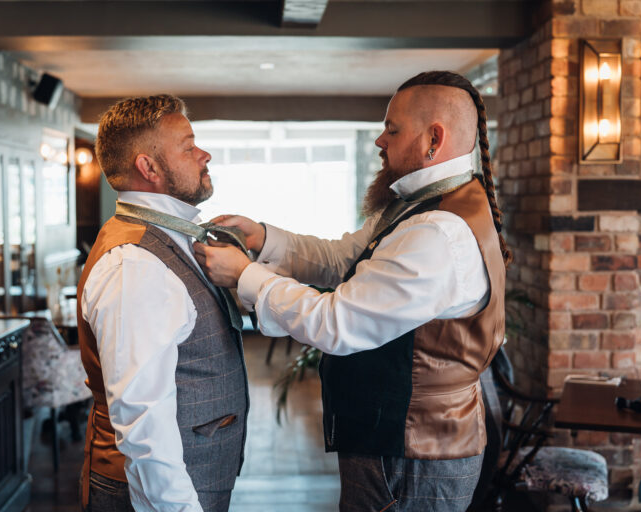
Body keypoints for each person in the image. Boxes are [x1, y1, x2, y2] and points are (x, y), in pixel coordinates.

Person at [194, 71, 511, 512]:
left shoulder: (437, 232)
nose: (380, 141)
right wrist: (263, 239)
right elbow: (345, 257)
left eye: (392, 129)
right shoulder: (425, 205)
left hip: (411, 451)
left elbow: (337, 323)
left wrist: (246, 276)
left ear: (433, 139)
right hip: (401, 441)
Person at [77, 95, 248, 512]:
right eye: (188, 147)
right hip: (160, 494)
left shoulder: (168, 236)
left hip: (194, 472)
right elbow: (143, 421)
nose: (204, 154)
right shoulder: (133, 264)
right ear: (148, 167)